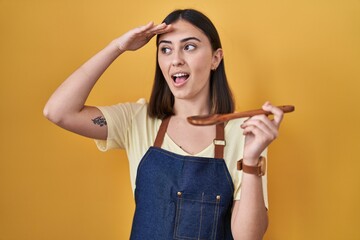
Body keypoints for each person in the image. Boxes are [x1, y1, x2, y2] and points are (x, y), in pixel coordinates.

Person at [44, 8, 284, 240]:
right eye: (166, 49)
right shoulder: (136, 121)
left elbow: (248, 237)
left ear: (215, 58)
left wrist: (251, 160)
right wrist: (117, 47)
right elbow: (58, 111)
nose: (176, 60)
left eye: (189, 47)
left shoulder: (245, 132)